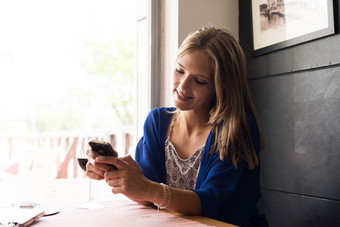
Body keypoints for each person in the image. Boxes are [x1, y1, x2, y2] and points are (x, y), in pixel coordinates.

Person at [86, 27, 268, 227]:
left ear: (221, 87)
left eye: (199, 81)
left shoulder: (236, 128)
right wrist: (118, 174)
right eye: (180, 70)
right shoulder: (158, 122)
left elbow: (209, 202)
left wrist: (147, 188)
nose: (182, 86)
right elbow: (147, 197)